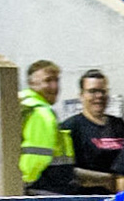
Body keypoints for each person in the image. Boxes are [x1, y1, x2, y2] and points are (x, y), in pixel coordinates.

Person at [60, 69, 124, 190]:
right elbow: (67, 172)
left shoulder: (119, 125)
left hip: (118, 200)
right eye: (92, 91)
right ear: (81, 95)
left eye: (102, 91)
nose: (99, 96)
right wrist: (107, 179)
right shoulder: (70, 127)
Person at [18, 59, 79, 192]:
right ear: (31, 83)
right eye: (48, 81)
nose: (54, 86)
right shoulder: (41, 113)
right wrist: (26, 183)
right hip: (44, 191)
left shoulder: (25, 106)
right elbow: (36, 156)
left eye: (56, 80)